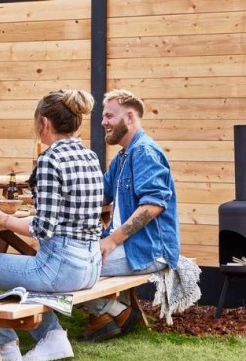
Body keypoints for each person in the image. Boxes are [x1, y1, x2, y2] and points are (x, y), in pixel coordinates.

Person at [0, 89, 105, 361]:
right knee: (14, 271)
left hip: (61, 269)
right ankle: (53, 338)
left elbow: (42, 229)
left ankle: (5, 343)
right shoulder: (90, 156)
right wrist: (1, 215)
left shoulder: (51, 159)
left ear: (45, 124)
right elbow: (62, 218)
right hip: (90, 266)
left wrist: (0, 218)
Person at [78, 89, 182, 342]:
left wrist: (112, 240)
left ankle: (113, 311)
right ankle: (116, 312)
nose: (103, 122)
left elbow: (153, 205)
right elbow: (100, 195)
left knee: (72, 267)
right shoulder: (123, 156)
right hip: (131, 245)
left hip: (150, 251)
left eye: (109, 116)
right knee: (70, 255)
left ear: (130, 117)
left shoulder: (144, 152)